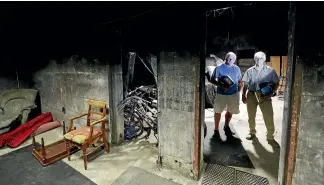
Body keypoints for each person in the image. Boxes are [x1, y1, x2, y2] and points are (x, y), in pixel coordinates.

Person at [241, 51, 280, 144]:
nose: (259, 60)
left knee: (268, 115)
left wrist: (272, 93)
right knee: (251, 115)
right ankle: (252, 132)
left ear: (265, 59)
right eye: (257, 58)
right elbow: (245, 83)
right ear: (254, 59)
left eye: (261, 58)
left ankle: (270, 136)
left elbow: (276, 82)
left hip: (264, 95)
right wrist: (243, 95)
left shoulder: (270, 70)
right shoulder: (249, 70)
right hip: (251, 94)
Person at [210, 52, 243, 141]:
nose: (231, 60)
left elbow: (240, 81)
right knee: (218, 111)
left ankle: (226, 126)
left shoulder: (237, 68)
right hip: (221, 94)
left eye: (233, 59)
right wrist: (221, 86)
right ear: (226, 58)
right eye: (229, 58)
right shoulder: (219, 68)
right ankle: (216, 130)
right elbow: (212, 80)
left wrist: (238, 92)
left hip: (233, 94)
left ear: (235, 60)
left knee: (230, 111)